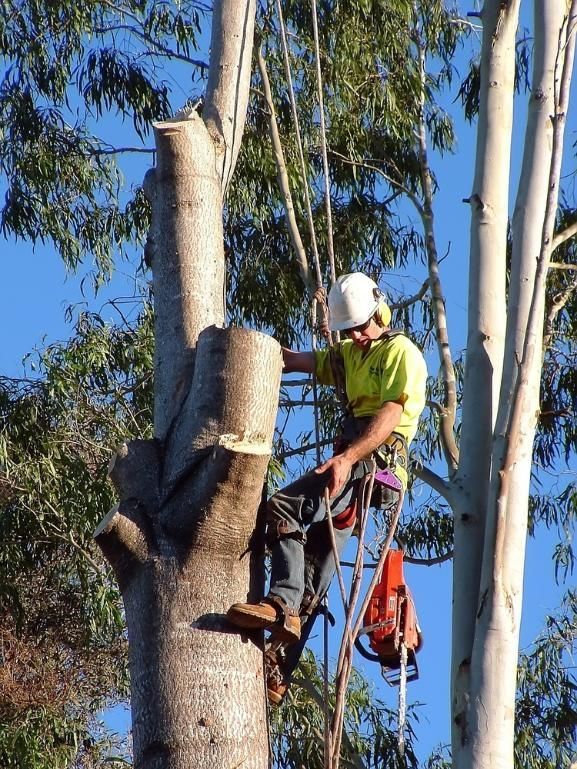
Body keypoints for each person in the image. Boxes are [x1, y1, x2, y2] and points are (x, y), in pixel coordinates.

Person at [227, 272, 427, 703]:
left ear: (378, 310)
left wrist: (348, 458)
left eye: (360, 326)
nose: (355, 335)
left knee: (283, 508)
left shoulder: (399, 352)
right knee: (316, 568)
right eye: (348, 329)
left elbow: (391, 415)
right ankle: (277, 669)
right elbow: (309, 362)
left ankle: (280, 604)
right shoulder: (350, 355)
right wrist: (267, 355)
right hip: (353, 468)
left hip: (373, 465)